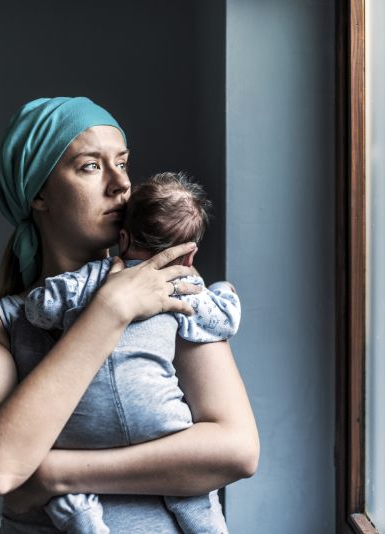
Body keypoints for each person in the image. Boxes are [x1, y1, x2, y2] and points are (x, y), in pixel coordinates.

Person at [0, 97, 259, 534]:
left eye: (123, 163)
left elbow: (237, 450)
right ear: (37, 192)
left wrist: (58, 473)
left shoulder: (169, 286)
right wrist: (110, 310)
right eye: (91, 166)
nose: (121, 185)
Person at [27, 171, 240, 534]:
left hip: (83, 433)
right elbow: (224, 322)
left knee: (69, 492)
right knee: (192, 494)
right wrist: (222, 290)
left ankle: (80, 513)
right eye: (91, 165)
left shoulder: (93, 277)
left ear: (123, 238)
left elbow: (39, 308)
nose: (119, 181)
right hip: (159, 427)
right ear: (189, 256)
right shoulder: (184, 286)